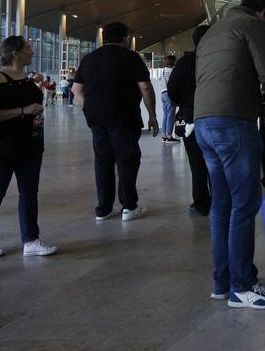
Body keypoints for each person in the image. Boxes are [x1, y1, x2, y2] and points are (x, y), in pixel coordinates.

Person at [193, 0, 265, 310]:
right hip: (233, 123)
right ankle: (243, 286)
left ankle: (223, 282)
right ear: (262, 13)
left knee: (222, 205)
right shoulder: (252, 25)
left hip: (203, 124)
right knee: (244, 205)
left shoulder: (213, 32)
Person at [0, 37, 58, 259]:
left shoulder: (28, 79)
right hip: (2, 145)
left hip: (30, 142)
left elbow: (35, 106)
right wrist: (23, 110)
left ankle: (30, 239)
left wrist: (36, 88)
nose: (32, 52)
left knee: (29, 192)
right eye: (28, 48)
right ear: (15, 53)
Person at [72, 22, 156, 222]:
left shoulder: (89, 59)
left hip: (97, 119)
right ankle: (129, 206)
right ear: (124, 38)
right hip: (124, 117)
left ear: (104, 37)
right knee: (126, 160)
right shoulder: (130, 57)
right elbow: (145, 86)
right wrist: (152, 115)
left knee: (103, 162)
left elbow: (76, 90)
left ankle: (104, 209)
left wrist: (88, 109)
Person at [166, 27, 211, 216]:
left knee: (197, 162)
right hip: (215, 116)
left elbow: (172, 91)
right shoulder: (218, 59)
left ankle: (201, 204)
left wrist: (183, 103)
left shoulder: (185, 62)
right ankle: (222, 201)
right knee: (217, 162)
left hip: (190, 118)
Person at [160, 54, 178, 144]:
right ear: (172, 61)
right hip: (169, 94)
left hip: (163, 94)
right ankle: (169, 136)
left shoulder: (163, 70)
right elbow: (173, 84)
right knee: (171, 116)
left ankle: (164, 135)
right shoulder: (172, 71)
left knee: (166, 115)